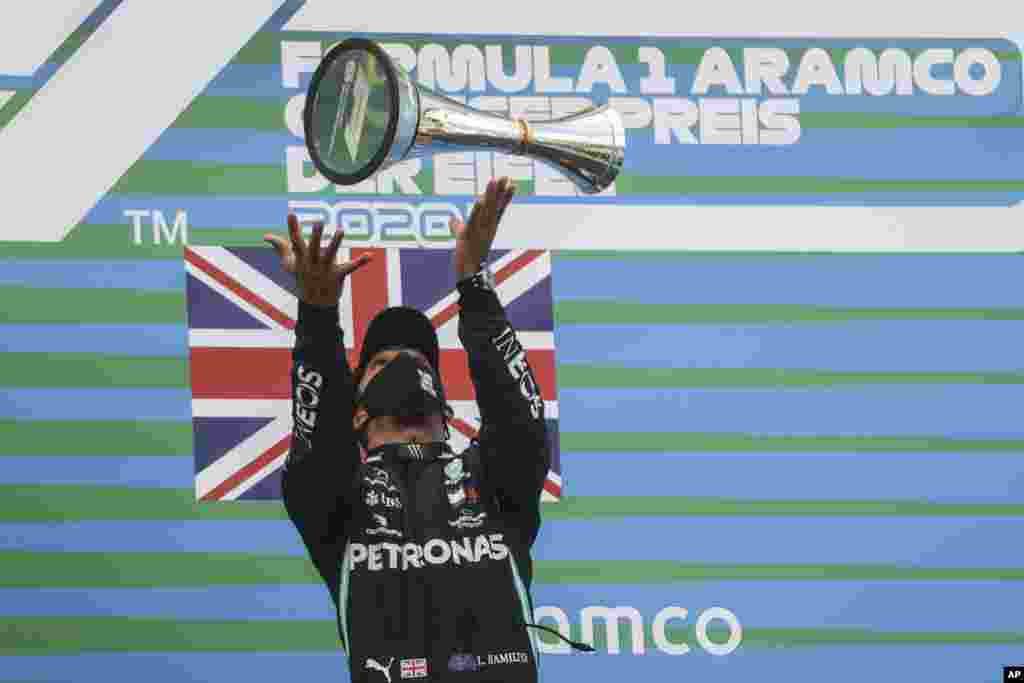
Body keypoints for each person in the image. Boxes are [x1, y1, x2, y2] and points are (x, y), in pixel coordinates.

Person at [265, 178, 590, 683]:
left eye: (420, 360)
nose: (407, 364)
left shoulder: (491, 477)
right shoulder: (335, 499)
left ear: (445, 405)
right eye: (384, 362)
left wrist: (474, 283)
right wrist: (318, 316)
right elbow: (319, 436)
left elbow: (520, 419)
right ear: (356, 414)